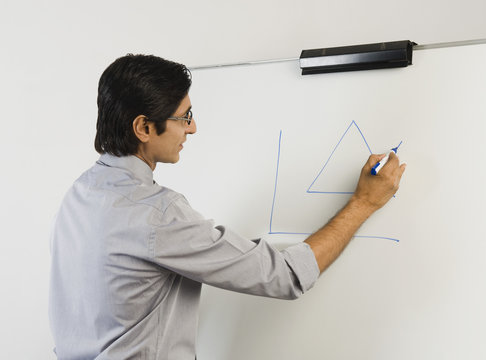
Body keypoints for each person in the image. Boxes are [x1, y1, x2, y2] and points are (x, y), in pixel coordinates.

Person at [49, 54, 406, 360]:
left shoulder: (80, 194)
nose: (193, 128)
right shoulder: (156, 216)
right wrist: (363, 202)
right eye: (183, 117)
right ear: (143, 127)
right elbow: (284, 276)